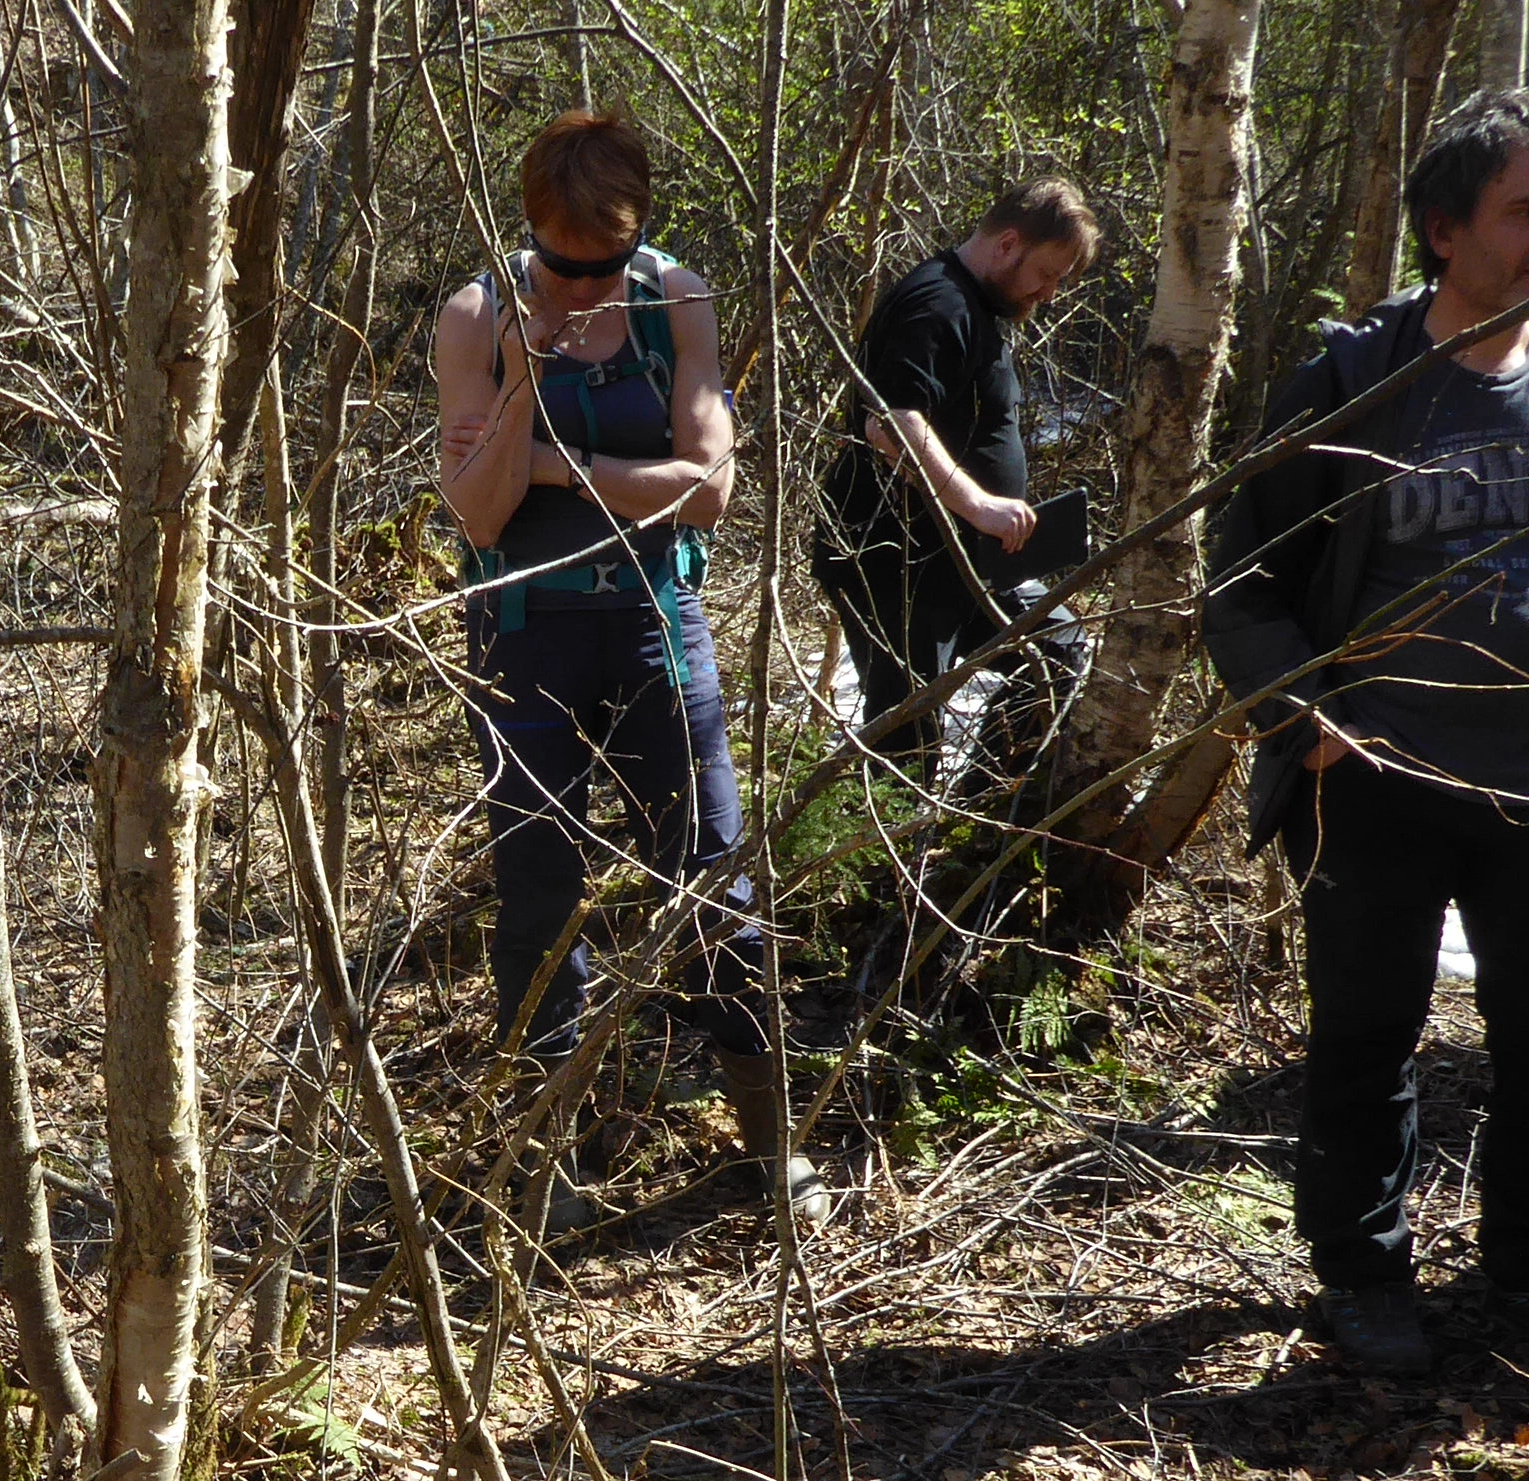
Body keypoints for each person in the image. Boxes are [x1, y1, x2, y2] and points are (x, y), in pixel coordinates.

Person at [1199, 86, 1529, 1382]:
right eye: (1528, 212)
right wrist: (1296, 712)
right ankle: (1365, 1281)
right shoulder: (1358, 385)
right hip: (1370, 776)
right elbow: (1239, 572)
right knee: (1367, 1041)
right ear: (1442, 230)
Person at [436, 109, 819, 1227]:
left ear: (637, 228)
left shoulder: (674, 299)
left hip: (659, 623)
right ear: (530, 229)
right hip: (523, 636)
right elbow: (476, 512)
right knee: (538, 896)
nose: (587, 280)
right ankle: (541, 1167)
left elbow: (711, 487)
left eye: (606, 258)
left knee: (711, 877)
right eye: (566, 260)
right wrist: (518, 381)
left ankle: (770, 1146)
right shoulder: (477, 314)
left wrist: (557, 460)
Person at [813, 179, 1101, 777]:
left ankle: (974, 816)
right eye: (1045, 273)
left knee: (1056, 653)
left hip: (967, 561)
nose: (1048, 293)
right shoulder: (937, 303)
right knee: (907, 729)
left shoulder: (980, 308)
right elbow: (890, 425)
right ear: (1009, 243)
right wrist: (979, 506)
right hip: (894, 561)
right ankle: (885, 864)